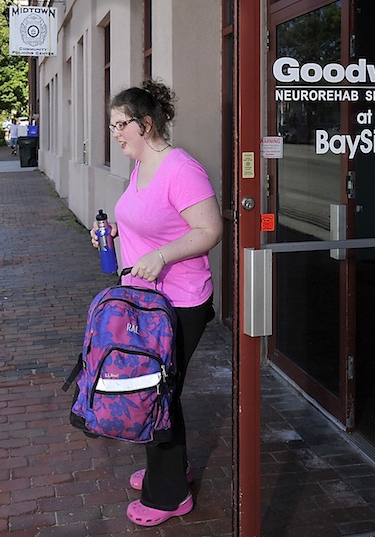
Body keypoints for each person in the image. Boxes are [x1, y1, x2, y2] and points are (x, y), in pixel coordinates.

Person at [90, 79, 222, 527]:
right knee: (153, 385)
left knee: (157, 391)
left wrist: (161, 255)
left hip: (181, 302)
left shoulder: (181, 168)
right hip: (146, 302)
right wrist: (109, 234)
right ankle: (172, 467)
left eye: (120, 124)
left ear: (146, 124)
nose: (115, 133)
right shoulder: (140, 167)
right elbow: (144, 222)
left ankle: (169, 496)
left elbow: (208, 230)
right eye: (111, 126)